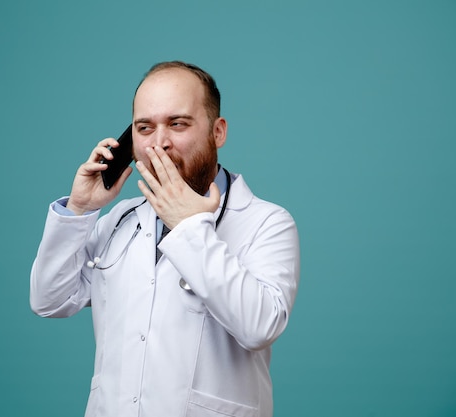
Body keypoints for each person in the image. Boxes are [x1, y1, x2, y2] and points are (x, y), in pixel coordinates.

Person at [30, 61, 300, 417]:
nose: (160, 142)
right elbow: (50, 300)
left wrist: (188, 226)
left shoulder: (267, 222)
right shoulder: (120, 219)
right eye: (144, 128)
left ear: (217, 132)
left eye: (178, 123)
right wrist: (80, 209)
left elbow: (260, 326)